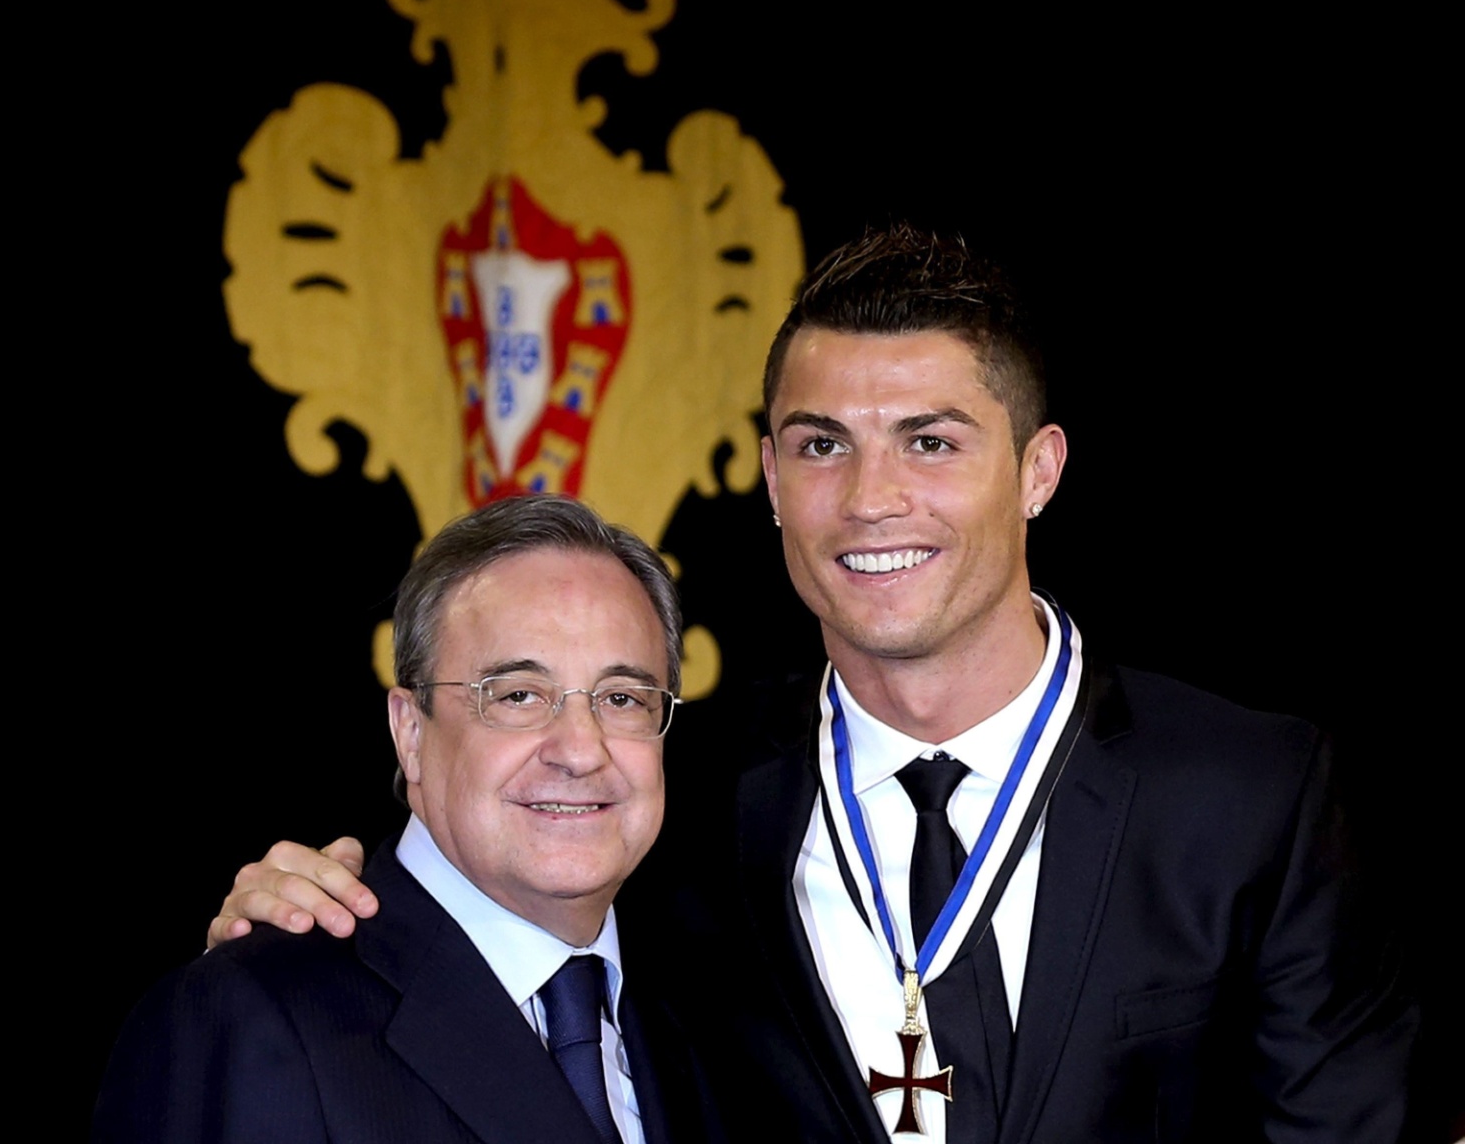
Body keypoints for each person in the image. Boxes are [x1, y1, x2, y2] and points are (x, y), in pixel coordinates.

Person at [207, 225, 1415, 1143]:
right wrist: (305, 923)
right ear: (773, 476)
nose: (870, 497)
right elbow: (470, 947)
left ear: (1038, 469)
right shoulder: (669, 793)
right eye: (820, 442)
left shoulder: (1253, 794)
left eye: (930, 441)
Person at [94, 495, 716, 1143]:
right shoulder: (251, 1017)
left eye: (623, 698)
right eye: (519, 696)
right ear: (410, 731)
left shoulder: (717, 1027)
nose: (582, 750)